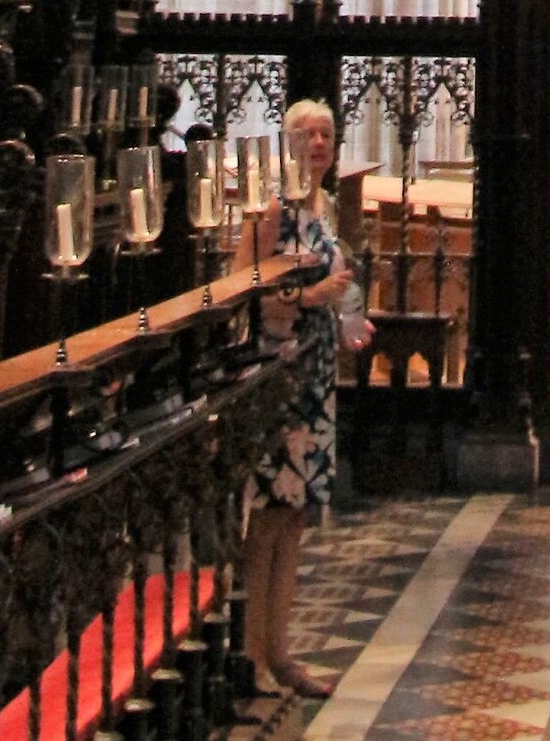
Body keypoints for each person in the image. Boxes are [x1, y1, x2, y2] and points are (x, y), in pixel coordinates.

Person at [243, 94, 352, 700]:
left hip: (315, 376)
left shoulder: (326, 210)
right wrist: (311, 300)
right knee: (266, 517)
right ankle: (253, 655)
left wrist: (348, 316)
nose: (318, 144)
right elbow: (246, 293)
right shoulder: (269, 211)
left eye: (327, 134)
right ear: (287, 142)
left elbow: (340, 281)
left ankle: (281, 652)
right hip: (277, 376)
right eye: (307, 134)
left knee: (295, 515)